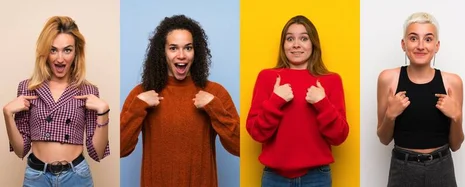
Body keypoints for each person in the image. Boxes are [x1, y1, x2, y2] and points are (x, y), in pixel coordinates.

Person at [120, 14, 240, 187]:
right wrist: (137, 108)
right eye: (173, 48)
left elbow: (238, 147)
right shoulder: (141, 95)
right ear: (163, 52)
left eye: (188, 48)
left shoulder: (215, 93)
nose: (181, 55)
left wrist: (215, 109)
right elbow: (121, 149)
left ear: (195, 52)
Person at [3, 16, 110, 187]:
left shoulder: (88, 91)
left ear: (76, 53)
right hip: (37, 177)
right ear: (45, 53)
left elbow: (97, 153)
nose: (60, 59)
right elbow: (20, 150)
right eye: (53, 50)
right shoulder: (28, 88)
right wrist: (7, 115)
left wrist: (103, 112)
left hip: (76, 176)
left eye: (67, 50)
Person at [246, 15, 350, 187]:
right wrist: (275, 101)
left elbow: (339, 136)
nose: (296, 44)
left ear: (313, 44)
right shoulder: (267, 77)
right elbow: (256, 133)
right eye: (290, 38)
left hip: (317, 177)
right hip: (274, 178)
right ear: (283, 45)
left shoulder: (331, 80)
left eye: (304, 38)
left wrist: (322, 103)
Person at [376, 12, 464, 187]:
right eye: (414, 38)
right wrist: (390, 115)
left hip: (441, 167)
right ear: (404, 44)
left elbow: (456, 144)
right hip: (403, 168)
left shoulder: (452, 82)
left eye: (428, 39)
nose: (421, 46)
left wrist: (456, 117)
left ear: (437, 45)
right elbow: (384, 138)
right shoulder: (388, 79)